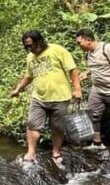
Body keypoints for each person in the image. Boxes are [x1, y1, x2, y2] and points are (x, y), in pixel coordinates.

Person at [9, 30, 82, 166]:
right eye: (26, 46)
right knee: (32, 124)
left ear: (40, 41)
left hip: (60, 97)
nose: (29, 49)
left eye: (31, 45)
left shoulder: (57, 50)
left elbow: (72, 69)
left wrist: (77, 89)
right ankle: (31, 153)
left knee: (57, 127)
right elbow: (29, 76)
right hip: (39, 97)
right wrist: (18, 89)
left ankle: (56, 153)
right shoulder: (30, 58)